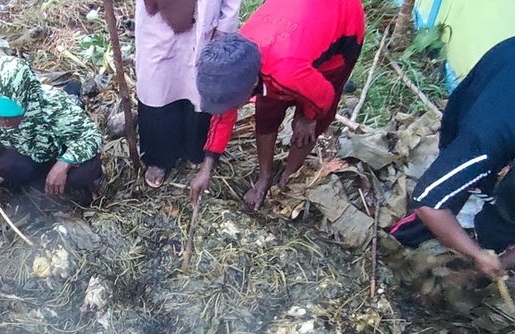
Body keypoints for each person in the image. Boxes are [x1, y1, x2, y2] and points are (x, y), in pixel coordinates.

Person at [188, 0, 365, 209]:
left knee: (307, 124)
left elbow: (325, 95)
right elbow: (223, 114)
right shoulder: (232, 62)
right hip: (292, 25)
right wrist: (206, 168)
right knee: (267, 112)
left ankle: (288, 177)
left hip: (343, 25)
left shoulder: (286, 72)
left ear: (252, 83)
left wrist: (309, 117)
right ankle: (265, 177)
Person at [391, 37, 515, 281]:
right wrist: (477, 255)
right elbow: (428, 201)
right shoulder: (486, 141)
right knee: (446, 195)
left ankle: (491, 252)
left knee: (503, 216)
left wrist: (501, 263)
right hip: (475, 115)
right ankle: (403, 246)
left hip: (498, 87)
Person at [135, 0, 242, 188]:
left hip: (204, 18)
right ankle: (159, 157)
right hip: (157, 21)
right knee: (158, 87)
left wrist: (225, 24)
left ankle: (194, 150)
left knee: (196, 88)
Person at [0, 56, 103, 208]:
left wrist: (64, 163)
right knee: (8, 167)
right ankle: (41, 181)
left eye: (10, 115)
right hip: (27, 154)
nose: (3, 123)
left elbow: (92, 136)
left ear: (25, 99)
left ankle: (73, 95)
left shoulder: (52, 104)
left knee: (84, 173)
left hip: (59, 152)